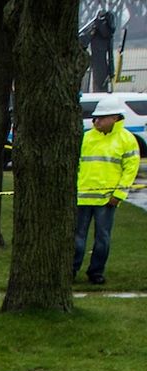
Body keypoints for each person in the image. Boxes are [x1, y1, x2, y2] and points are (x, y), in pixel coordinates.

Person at [74, 96, 139, 286]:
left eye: (102, 117)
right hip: (83, 197)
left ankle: (96, 272)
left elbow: (130, 170)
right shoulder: (86, 137)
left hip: (106, 200)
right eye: (96, 117)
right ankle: (72, 268)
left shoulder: (126, 140)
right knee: (77, 238)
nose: (97, 121)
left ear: (115, 118)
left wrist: (118, 195)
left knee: (102, 238)